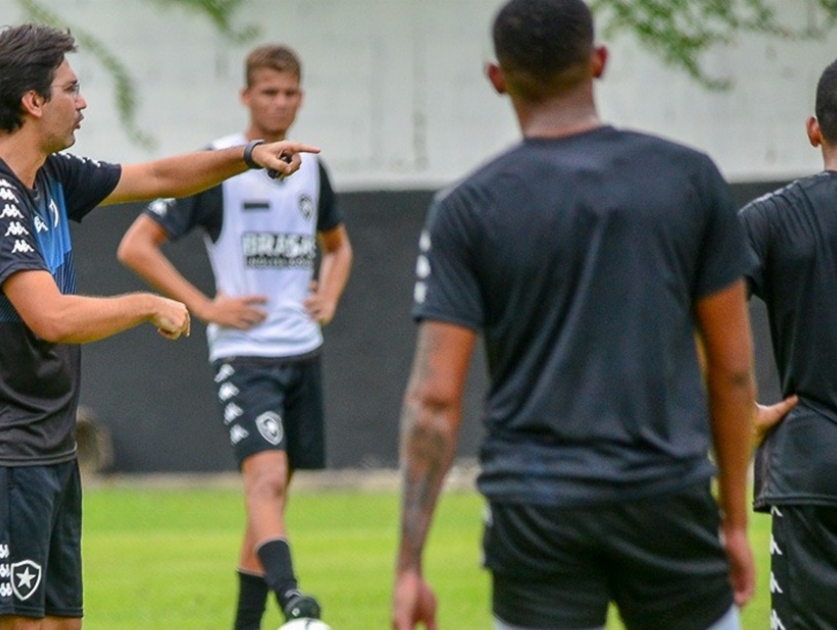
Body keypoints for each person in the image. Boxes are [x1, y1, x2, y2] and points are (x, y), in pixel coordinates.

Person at [391, 1, 758, 629]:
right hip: (666, 500)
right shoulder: (690, 180)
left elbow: (433, 402)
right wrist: (731, 521)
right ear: (599, 61)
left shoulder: (466, 209)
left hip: (535, 510)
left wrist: (409, 566)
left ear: (496, 77)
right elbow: (732, 373)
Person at [0, 23, 317, 630]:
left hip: (51, 448)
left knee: (64, 622)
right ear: (33, 102)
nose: (84, 101)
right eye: (71, 88)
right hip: (11, 458)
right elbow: (50, 315)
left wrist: (246, 155)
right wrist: (147, 304)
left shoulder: (53, 178)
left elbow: (161, 177)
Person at [117, 44, 352, 629]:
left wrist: (331, 292)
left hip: (303, 352)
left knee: (267, 500)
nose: (280, 102)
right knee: (266, 482)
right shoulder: (220, 165)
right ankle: (296, 603)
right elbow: (135, 245)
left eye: (290, 92)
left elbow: (339, 245)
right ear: (246, 97)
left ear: (301, 97)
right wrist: (204, 306)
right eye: (268, 92)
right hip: (246, 357)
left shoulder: (314, 168)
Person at [738, 57, 837, 630]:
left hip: (814, 477)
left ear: (814, 129)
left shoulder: (768, 222)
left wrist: (734, 412)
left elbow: (695, 315)